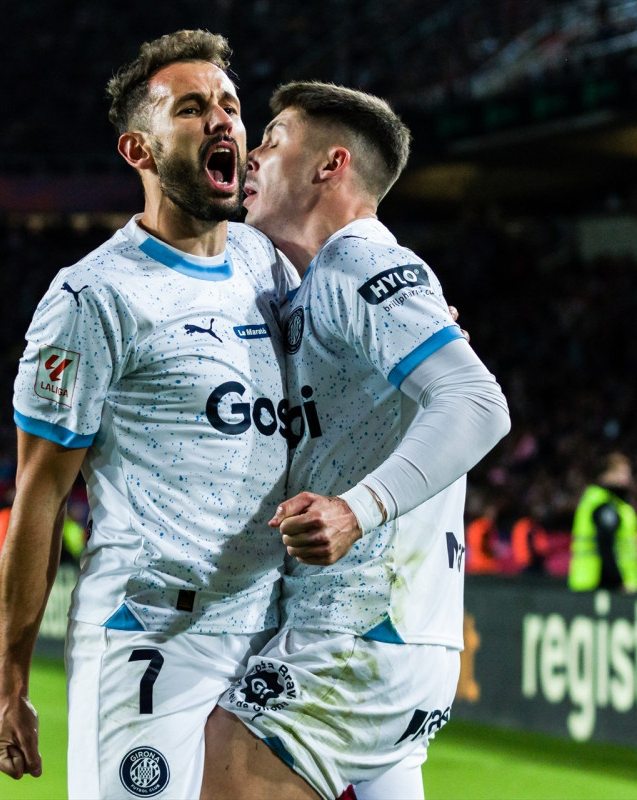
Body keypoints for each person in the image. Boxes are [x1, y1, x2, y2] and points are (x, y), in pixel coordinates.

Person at [0, 31, 294, 800]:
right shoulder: (94, 298)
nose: (223, 121)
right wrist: (9, 687)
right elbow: (40, 497)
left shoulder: (270, 266)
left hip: (269, 640)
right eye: (192, 109)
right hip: (149, 642)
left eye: (229, 105)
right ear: (140, 149)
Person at [204, 82, 511, 800]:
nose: (252, 155)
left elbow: (476, 402)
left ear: (329, 165)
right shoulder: (313, 291)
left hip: (357, 634)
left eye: (273, 140)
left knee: (217, 773)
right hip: (383, 636)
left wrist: (356, 509)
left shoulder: (360, 264)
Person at [569, 453, 637, 593]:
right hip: (600, 584)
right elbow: (605, 546)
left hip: (592, 582)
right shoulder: (604, 505)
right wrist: (618, 581)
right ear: (606, 474)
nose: (627, 478)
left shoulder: (605, 502)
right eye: (621, 473)